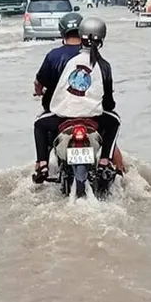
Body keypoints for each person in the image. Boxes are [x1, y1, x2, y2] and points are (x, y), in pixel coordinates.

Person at [32, 15, 121, 183]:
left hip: (62, 117)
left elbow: (57, 88)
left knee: (39, 124)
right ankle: (104, 161)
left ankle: (42, 163)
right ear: (102, 38)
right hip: (92, 118)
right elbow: (108, 102)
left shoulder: (66, 60)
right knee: (114, 121)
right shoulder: (104, 65)